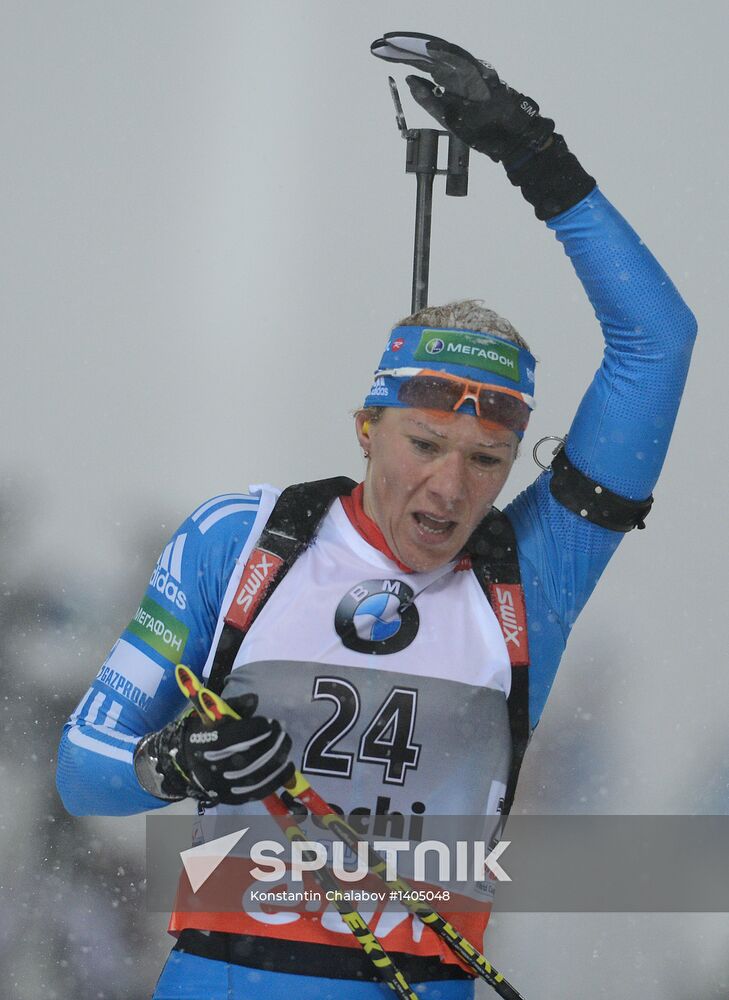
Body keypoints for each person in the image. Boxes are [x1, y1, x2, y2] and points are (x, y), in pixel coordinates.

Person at [56, 32, 697, 1000]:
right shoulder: (244, 538)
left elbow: (659, 340)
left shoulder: (530, 571)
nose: (450, 487)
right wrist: (174, 758)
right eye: (424, 444)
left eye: (485, 460)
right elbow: (84, 770)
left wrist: (536, 156)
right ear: (367, 428)